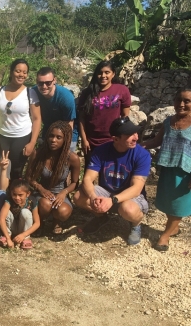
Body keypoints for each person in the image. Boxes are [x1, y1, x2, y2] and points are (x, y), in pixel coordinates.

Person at [73, 117, 151, 245]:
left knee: (128, 209)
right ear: (115, 139)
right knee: (78, 197)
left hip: (130, 195)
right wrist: (93, 197)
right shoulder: (101, 151)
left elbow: (136, 188)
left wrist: (112, 200)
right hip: (107, 192)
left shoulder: (142, 155)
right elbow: (87, 179)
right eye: (130, 135)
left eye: (136, 133)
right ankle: (101, 217)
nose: (136, 137)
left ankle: (135, 225)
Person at [142, 88, 191, 251]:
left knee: (179, 204)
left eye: (187, 101)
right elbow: (156, 141)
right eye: (179, 100)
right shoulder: (168, 121)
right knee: (168, 201)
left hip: (186, 172)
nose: (181, 104)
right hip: (168, 168)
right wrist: (140, 145)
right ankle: (174, 227)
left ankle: (165, 235)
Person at [0, 58, 41, 180]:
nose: (21, 75)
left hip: (22, 137)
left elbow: (37, 119)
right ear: (12, 72)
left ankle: (15, 197)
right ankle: (2, 195)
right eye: (18, 71)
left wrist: (32, 143)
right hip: (2, 136)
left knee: (17, 171)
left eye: (24, 72)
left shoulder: (30, 93)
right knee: (1, 168)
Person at [26, 121, 80, 234]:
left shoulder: (72, 158)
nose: (53, 140)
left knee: (63, 212)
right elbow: (28, 177)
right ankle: (40, 220)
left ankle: (56, 221)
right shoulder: (38, 154)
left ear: (65, 140)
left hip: (61, 193)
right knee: (46, 205)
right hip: (42, 192)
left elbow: (75, 182)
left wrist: (64, 193)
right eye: (51, 136)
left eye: (58, 137)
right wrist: (40, 188)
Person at [78, 60, 131, 164]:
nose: (103, 75)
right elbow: (81, 118)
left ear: (113, 74)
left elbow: (125, 117)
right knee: (89, 172)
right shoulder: (87, 93)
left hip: (113, 140)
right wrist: (84, 140)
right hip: (91, 141)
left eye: (107, 72)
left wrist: (122, 138)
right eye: (100, 72)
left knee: (109, 172)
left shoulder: (122, 90)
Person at [32, 67, 76, 141]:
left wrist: (66, 143)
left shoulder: (65, 97)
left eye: (48, 83)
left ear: (54, 80)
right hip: (48, 129)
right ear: (37, 82)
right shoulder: (33, 93)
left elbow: (69, 123)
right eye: (40, 83)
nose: (44, 86)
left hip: (67, 131)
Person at [0, 179, 40, 249]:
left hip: (24, 229)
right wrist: (8, 238)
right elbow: (1, 219)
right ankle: (7, 235)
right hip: (12, 227)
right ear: (11, 193)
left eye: (20, 195)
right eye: (14, 194)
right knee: (6, 212)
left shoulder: (32, 201)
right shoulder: (9, 200)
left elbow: (37, 223)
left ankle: (26, 238)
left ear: (28, 194)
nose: (17, 198)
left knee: (26, 212)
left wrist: (23, 234)